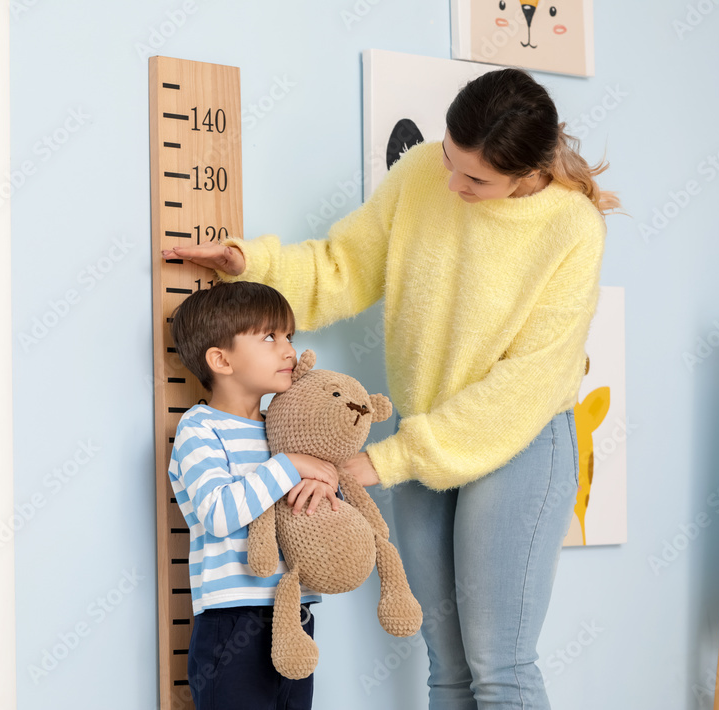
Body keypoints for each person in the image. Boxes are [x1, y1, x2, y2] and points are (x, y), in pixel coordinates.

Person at [162, 67, 623, 709]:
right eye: (449, 160)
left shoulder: (572, 230)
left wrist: (383, 460)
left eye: (476, 180)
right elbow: (345, 267)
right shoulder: (421, 175)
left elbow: (523, 386)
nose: (453, 184)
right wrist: (256, 266)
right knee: (446, 668)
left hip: (516, 442)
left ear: (527, 174)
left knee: (499, 665)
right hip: (423, 439)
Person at [168, 280, 343, 710]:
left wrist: (325, 483)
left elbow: (319, 516)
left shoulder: (283, 430)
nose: (288, 350)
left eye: (289, 337)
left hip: (296, 617)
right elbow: (218, 513)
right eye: (270, 337)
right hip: (232, 622)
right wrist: (291, 466)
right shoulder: (200, 428)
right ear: (221, 360)